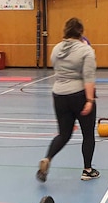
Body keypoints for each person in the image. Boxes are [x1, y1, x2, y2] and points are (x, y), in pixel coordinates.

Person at [36, 17, 99, 182]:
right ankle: (87, 170)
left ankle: (48, 158)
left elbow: (56, 68)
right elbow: (89, 77)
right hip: (79, 95)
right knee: (88, 134)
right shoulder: (86, 51)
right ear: (81, 32)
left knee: (64, 134)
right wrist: (90, 100)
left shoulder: (56, 49)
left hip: (59, 95)